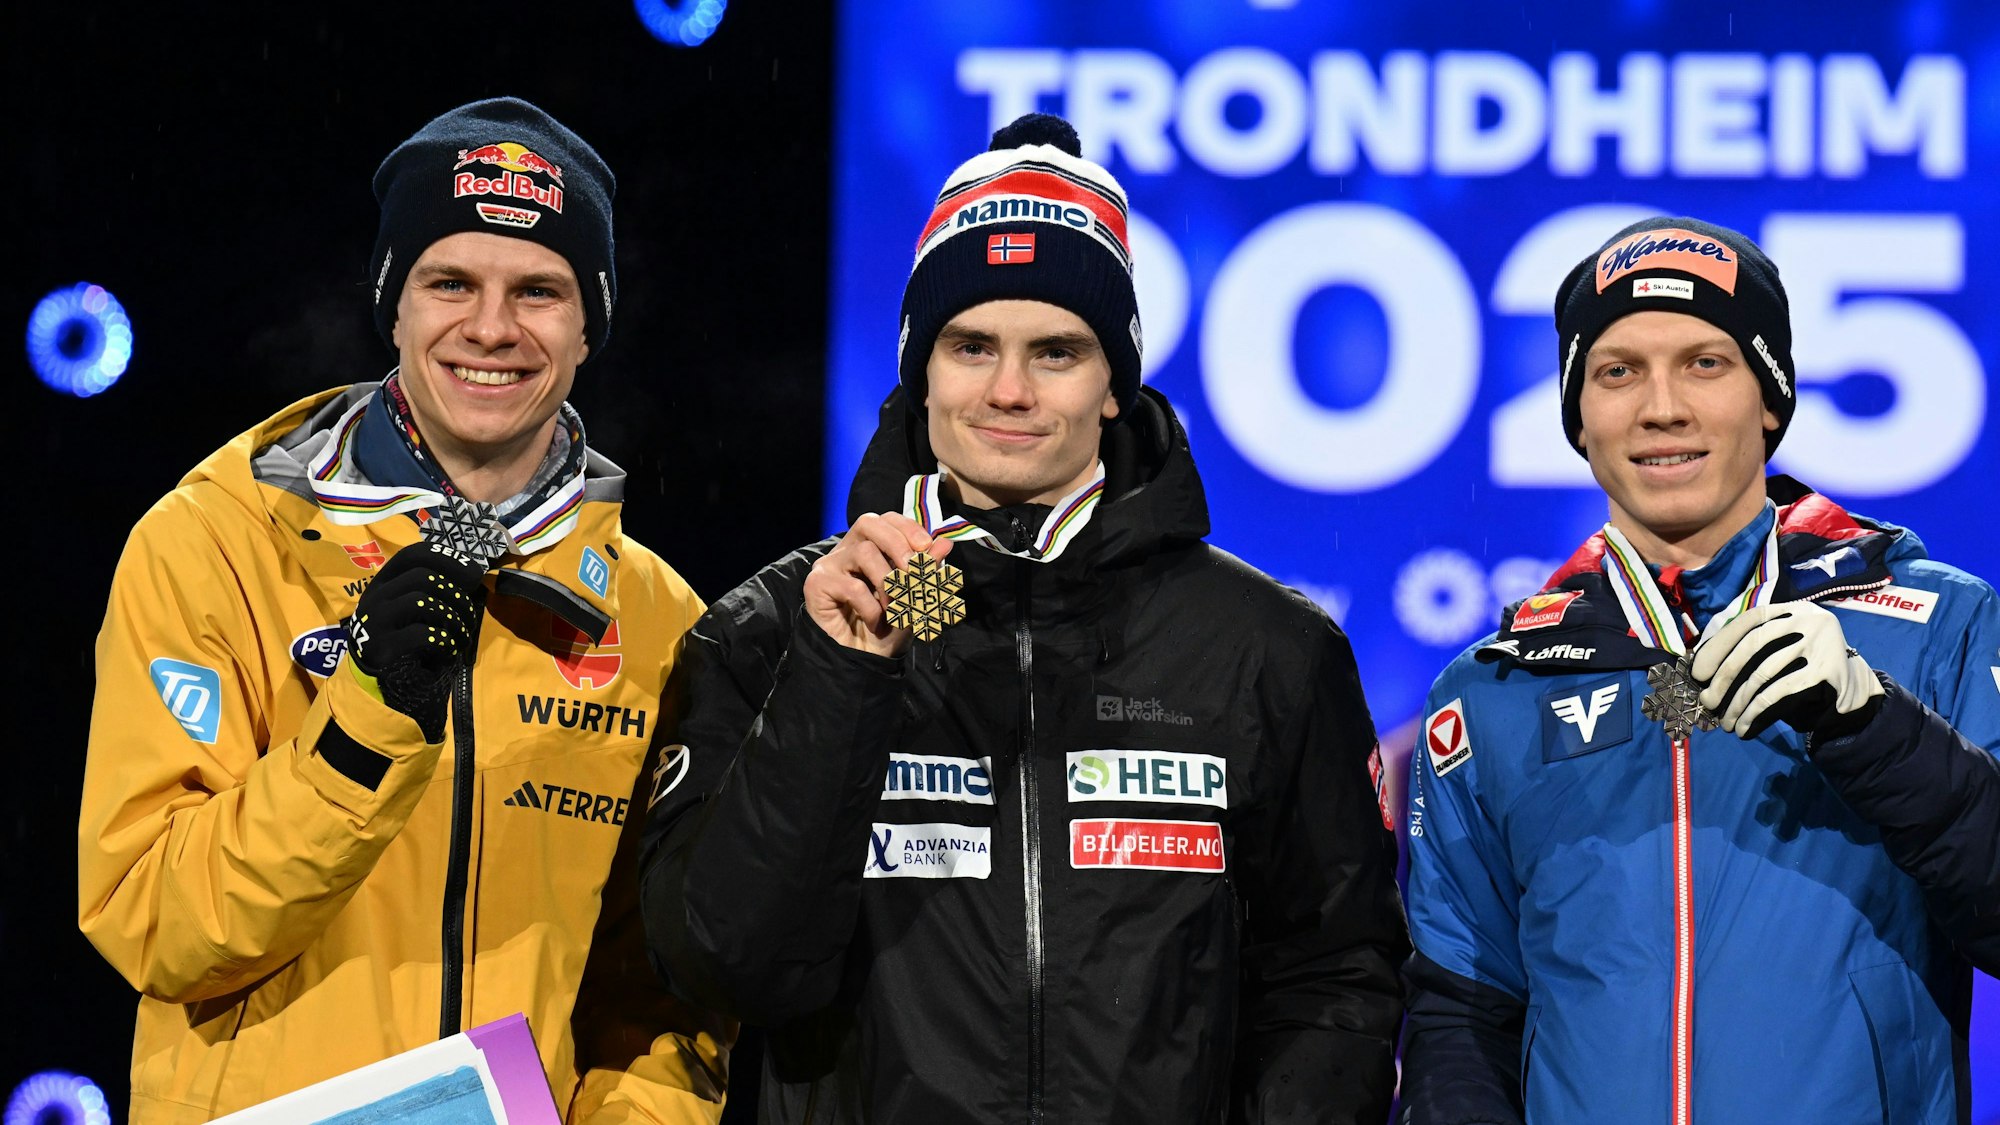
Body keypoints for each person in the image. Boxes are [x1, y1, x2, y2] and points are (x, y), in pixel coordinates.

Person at [636, 113, 1408, 1123]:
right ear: (921, 370)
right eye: (970, 346)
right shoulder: (771, 629)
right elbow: (727, 969)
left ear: (1111, 385)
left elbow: (1334, 981)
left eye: (1054, 350)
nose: (1007, 391)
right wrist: (838, 681)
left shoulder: (1268, 648)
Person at [77, 97, 729, 1122]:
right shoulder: (211, 544)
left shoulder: (657, 619)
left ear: (588, 323)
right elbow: (155, 923)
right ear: (394, 303)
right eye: (450, 282)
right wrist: (362, 731)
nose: (492, 328)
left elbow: (663, 999)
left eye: (539, 291)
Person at [1399, 216, 2000, 1124]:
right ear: (1579, 417)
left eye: (1705, 362)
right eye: (1618, 371)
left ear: (1770, 395)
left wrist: (1875, 725)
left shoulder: (1940, 623)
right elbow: (1459, 1020)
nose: (1662, 407)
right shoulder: (1491, 694)